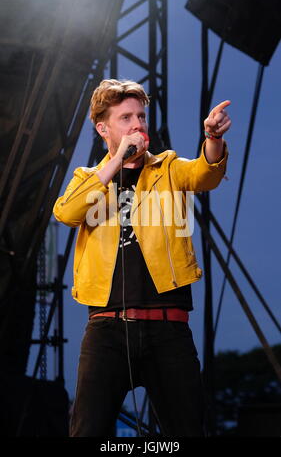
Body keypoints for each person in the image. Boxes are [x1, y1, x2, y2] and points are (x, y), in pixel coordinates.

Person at [53, 79, 231, 437]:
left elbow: (205, 174)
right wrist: (117, 161)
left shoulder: (167, 168)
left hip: (168, 328)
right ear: (103, 128)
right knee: (86, 430)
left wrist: (212, 139)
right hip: (106, 330)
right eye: (126, 118)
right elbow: (67, 212)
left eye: (141, 116)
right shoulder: (89, 179)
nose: (138, 124)